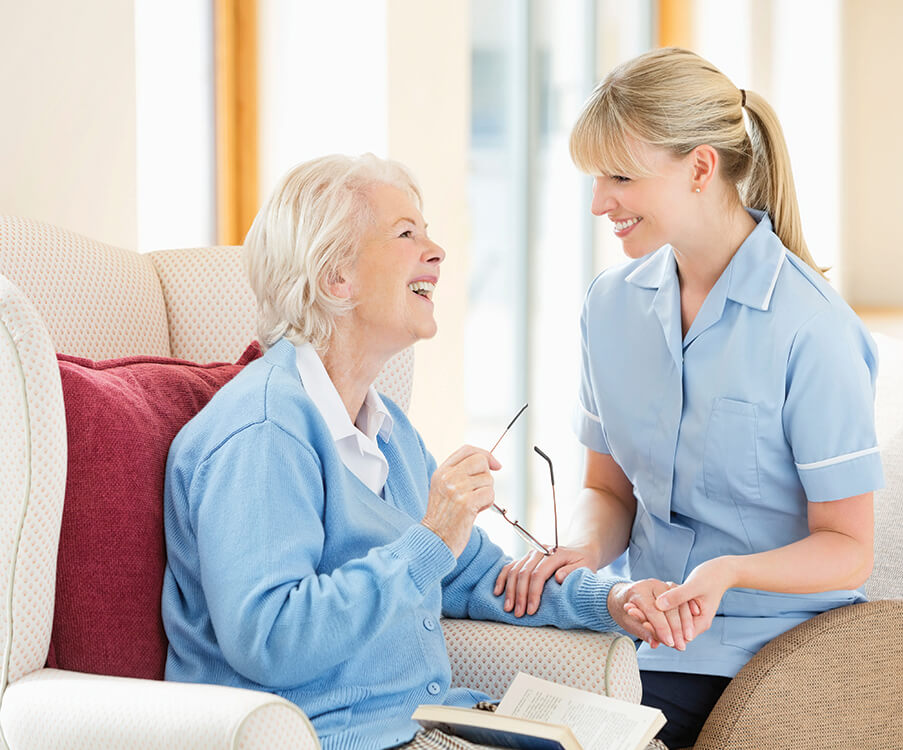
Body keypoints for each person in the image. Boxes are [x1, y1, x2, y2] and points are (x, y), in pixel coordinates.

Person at [161, 153, 672, 750]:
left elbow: (479, 576)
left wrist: (610, 599)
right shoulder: (264, 431)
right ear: (336, 278)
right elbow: (272, 638)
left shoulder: (389, 431)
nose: (437, 251)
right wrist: (431, 536)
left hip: (420, 724)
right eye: (407, 234)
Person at [495, 47, 883, 748]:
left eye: (619, 176)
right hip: (642, 638)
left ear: (701, 168)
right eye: (593, 177)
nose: (597, 203)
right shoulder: (610, 306)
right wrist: (580, 550)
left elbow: (850, 547)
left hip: (770, 655)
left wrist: (727, 574)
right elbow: (608, 491)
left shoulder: (812, 329)